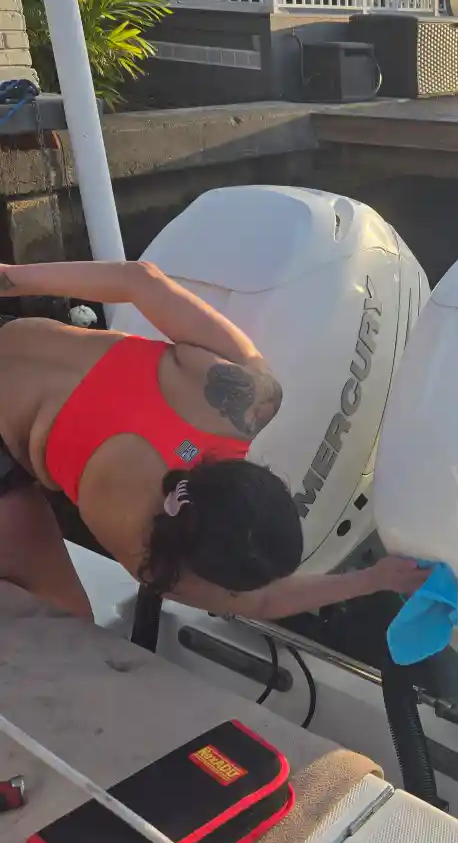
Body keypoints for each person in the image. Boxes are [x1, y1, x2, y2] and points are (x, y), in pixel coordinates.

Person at [0, 258, 429, 621]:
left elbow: (141, 279)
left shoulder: (247, 397)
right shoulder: (144, 548)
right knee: (65, 622)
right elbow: (258, 601)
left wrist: (11, 277)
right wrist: (371, 580)